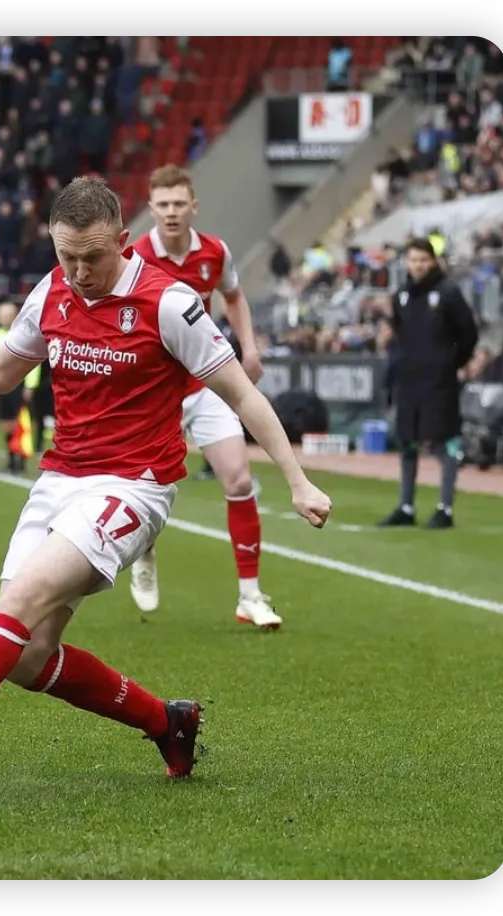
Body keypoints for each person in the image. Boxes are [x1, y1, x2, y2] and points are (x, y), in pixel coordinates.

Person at [0, 177, 331, 782]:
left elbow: (243, 394)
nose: (80, 272)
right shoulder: (52, 290)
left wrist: (298, 481)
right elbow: (1, 371)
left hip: (133, 486)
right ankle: (167, 722)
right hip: (60, 480)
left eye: (93, 257)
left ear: (123, 241)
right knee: (28, 656)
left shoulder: (169, 304)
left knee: (18, 606)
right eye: (68, 257)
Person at [129, 165, 281, 629]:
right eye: (163, 205)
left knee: (238, 480)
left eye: (179, 203)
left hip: (206, 381)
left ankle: (250, 596)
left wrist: (248, 348)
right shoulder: (135, 258)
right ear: (151, 208)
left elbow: (233, 296)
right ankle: (144, 549)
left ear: (194, 206)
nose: (172, 212)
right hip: (153, 391)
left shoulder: (215, 252)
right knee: (143, 486)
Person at [378, 238, 479, 529]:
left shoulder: (448, 291)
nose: (418, 265)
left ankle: (444, 509)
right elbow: (400, 332)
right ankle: (406, 506)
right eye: (413, 260)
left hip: (439, 381)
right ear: (407, 263)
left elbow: (468, 333)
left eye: (423, 260)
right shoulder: (402, 295)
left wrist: (450, 362)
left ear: (433, 261)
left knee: (444, 442)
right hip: (409, 379)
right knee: (407, 442)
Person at [0, 301, 42, 475]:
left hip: (20, 384)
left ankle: (21, 460)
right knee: (7, 423)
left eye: (6, 315)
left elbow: (34, 362)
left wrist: (30, 385)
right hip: (1, 384)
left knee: (21, 422)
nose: (3, 318)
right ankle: (11, 458)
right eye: (0, 315)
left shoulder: (23, 334)